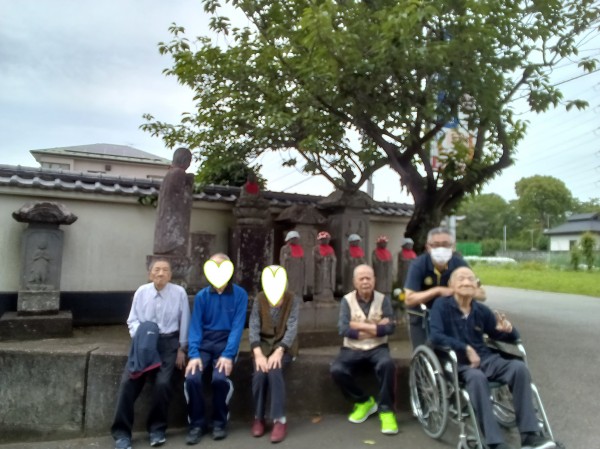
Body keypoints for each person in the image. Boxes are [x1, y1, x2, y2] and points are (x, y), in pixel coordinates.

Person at [429, 267, 556, 449]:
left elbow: (501, 334)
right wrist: (464, 348)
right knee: (477, 378)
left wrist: (510, 330)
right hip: (456, 362)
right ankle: (494, 441)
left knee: (518, 369)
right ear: (451, 284)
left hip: (485, 358)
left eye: (471, 279)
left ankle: (530, 435)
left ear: (476, 285)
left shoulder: (481, 311)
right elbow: (435, 336)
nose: (466, 282)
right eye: (461, 279)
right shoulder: (441, 306)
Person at [111, 258, 190, 449]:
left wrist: (182, 348)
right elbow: (132, 320)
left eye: (165, 270)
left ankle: (157, 429)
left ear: (170, 275)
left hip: (168, 342)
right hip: (144, 342)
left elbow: (185, 321)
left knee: (163, 384)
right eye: (157, 270)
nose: (161, 273)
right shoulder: (142, 292)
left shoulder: (179, 293)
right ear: (150, 274)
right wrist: (141, 339)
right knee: (128, 383)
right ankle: (122, 433)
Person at [184, 253, 248, 445]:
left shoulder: (240, 295)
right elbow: (195, 326)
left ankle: (219, 422)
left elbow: (237, 327)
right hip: (204, 343)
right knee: (192, 378)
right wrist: (194, 354)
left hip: (225, 343)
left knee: (220, 378)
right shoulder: (202, 296)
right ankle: (196, 424)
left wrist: (228, 354)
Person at [330, 264, 398, 435]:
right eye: (361, 278)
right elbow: (343, 329)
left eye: (369, 278)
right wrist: (376, 327)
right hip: (352, 348)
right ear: (355, 282)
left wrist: (358, 326)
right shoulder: (347, 300)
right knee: (337, 369)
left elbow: (390, 327)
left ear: (374, 280)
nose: (365, 281)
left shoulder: (383, 299)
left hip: (378, 347)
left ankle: (386, 411)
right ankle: (363, 401)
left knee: (387, 365)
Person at [403, 227, 484, 349]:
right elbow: (408, 299)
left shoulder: (459, 264)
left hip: (451, 314)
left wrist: (462, 290)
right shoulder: (418, 265)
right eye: (436, 245)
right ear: (428, 247)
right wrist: (438, 291)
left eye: (445, 245)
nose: (441, 249)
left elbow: (481, 294)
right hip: (422, 315)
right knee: (423, 349)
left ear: (453, 247)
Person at [249, 266, 300, 443]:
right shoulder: (260, 299)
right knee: (259, 374)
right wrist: (258, 353)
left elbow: (292, 327)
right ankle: (259, 417)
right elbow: (254, 326)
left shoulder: (292, 299)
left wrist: (280, 350)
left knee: (274, 370)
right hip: (263, 345)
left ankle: (279, 419)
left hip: (284, 345)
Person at [279, 230, 307, 301]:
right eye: (294, 238)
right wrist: (288, 259)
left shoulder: (300, 248)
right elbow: (283, 259)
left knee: (299, 285)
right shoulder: (285, 248)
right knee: (290, 285)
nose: (296, 240)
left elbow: (303, 259)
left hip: (299, 270)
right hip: (290, 269)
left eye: (296, 238)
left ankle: (298, 297)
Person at [313, 231, 336, 302]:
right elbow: (315, 258)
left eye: (326, 239)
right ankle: (319, 293)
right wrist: (322, 258)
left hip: (328, 268)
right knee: (320, 280)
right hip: (320, 268)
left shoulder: (331, 249)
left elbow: (334, 258)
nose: (325, 241)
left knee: (328, 281)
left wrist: (331, 258)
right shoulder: (316, 248)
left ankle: (329, 291)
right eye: (323, 239)